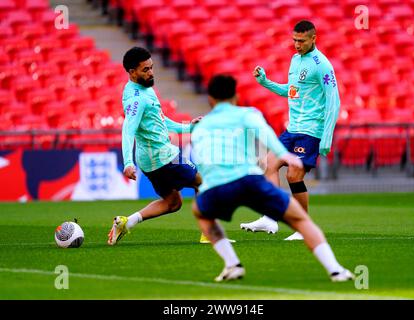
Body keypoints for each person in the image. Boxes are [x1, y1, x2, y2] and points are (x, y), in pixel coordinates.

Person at [191, 74, 353, 282]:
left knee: (200, 212)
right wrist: (284, 155)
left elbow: (203, 159)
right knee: (301, 220)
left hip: (217, 186)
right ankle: (336, 270)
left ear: (210, 99)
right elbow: (265, 133)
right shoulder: (247, 113)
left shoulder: (201, 126)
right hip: (249, 180)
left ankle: (232, 264)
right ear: (236, 96)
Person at [240, 20, 341, 240]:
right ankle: (269, 218)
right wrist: (266, 82)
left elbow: (334, 100)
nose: (297, 45)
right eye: (294, 40)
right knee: (268, 163)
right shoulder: (295, 60)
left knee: (294, 175)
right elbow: (291, 91)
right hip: (292, 128)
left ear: (314, 38)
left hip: (311, 131)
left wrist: (327, 138)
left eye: (301, 41)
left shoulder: (322, 64)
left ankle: (303, 229)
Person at [107, 47, 203, 245]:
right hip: (163, 155)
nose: (151, 73)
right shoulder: (136, 99)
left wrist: (188, 127)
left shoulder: (144, 88)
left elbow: (160, 119)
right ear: (132, 72)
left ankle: (126, 222)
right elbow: (128, 130)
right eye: (145, 70)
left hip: (152, 160)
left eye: (151, 68)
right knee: (204, 183)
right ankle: (210, 232)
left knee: (173, 202)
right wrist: (127, 162)